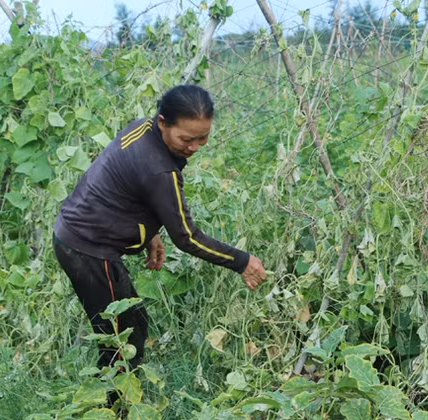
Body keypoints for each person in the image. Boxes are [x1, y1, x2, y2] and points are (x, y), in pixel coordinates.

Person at [53, 84, 267, 368]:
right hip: (89, 248)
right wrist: (243, 262)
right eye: (187, 139)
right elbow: (187, 237)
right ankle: (111, 409)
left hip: (79, 233)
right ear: (163, 122)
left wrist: (150, 232)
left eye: (203, 138)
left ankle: (116, 404)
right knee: (119, 342)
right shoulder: (159, 170)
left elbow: (124, 185)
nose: (194, 147)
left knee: (132, 322)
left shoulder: (143, 129)